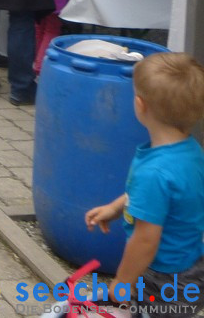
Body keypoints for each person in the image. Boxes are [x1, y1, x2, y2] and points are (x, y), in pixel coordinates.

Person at [85, 52, 204, 316]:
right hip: (190, 264)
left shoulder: (154, 172)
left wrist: (122, 282)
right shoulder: (189, 151)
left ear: (140, 105)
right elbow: (161, 201)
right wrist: (116, 207)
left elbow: (146, 240)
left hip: (163, 279)